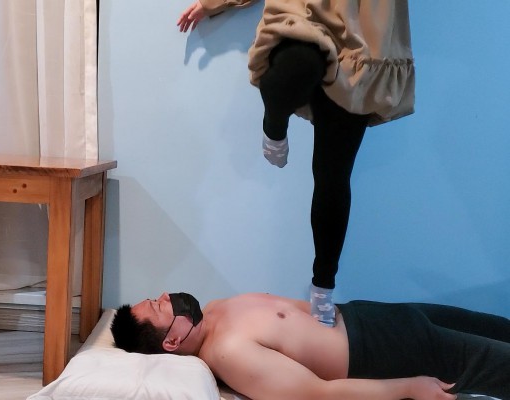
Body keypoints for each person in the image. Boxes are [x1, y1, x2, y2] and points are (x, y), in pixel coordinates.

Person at [177, 0, 415, 326]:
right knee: (291, 68)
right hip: (306, 13)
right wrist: (213, 4)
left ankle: (322, 288)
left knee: (332, 176)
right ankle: (274, 127)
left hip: (363, 40)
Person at [111, 292, 510, 400]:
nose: (166, 296)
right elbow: (318, 393)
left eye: (156, 297)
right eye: (158, 307)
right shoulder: (230, 354)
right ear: (172, 340)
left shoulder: (214, 310)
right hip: (386, 350)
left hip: (376, 315)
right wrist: (409, 386)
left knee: (499, 329)